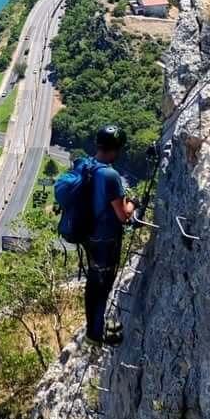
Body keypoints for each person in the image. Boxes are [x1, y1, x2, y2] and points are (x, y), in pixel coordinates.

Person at [84, 125, 135, 346]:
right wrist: (133, 204)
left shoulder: (87, 165)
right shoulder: (110, 175)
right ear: (115, 149)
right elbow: (123, 216)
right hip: (105, 239)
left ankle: (91, 329)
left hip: (88, 234)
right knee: (103, 285)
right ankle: (97, 333)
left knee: (93, 283)